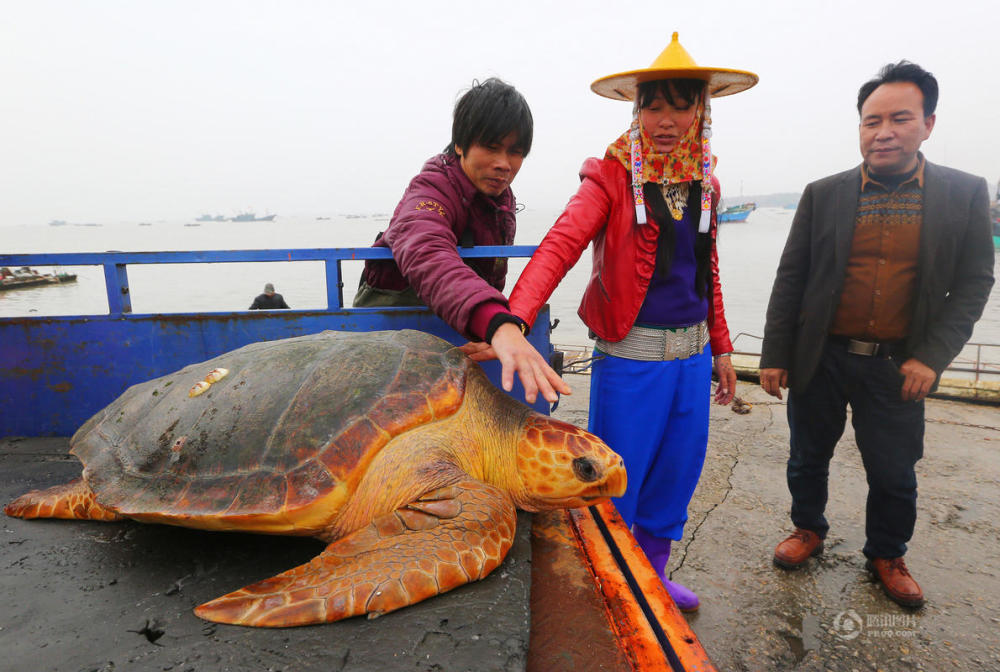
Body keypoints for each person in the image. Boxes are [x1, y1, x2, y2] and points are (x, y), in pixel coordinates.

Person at [500, 33, 755, 612]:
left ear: (701, 111)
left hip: (691, 359)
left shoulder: (705, 182)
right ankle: (612, 582)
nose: (665, 120)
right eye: (652, 105)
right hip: (632, 358)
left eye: (680, 105)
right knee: (617, 477)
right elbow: (560, 245)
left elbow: (705, 273)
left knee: (677, 472)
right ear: (636, 110)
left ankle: (653, 575)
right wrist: (513, 319)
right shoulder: (613, 176)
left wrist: (721, 350)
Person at [760, 61, 995, 608]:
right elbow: (791, 278)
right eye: (871, 121)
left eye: (899, 119)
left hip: (898, 365)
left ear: (928, 124)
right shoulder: (824, 193)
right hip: (822, 355)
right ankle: (807, 529)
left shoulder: (962, 194)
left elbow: (973, 283)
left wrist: (932, 357)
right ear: (859, 127)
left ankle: (887, 554)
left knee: (893, 470)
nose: (882, 131)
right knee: (806, 455)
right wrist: (776, 354)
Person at [352, 77, 566, 404]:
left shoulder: (498, 199)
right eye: (491, 147)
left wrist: (491, 326)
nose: (504, 164)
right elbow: (427, 250)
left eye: (516, 152)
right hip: (390, 339)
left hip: (462, 328)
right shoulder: (431, 190)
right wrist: (496, 323)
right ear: (460, 144)